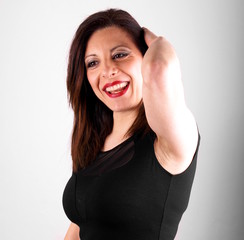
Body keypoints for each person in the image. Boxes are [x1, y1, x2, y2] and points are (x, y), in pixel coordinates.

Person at [63, 8, 200, 240]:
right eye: (93, 63)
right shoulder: (94, 142)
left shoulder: (170, 140)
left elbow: (160, 67)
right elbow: (79, 228)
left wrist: (154, 40)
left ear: (145, 57)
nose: (107, 71)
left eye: (120, 55)